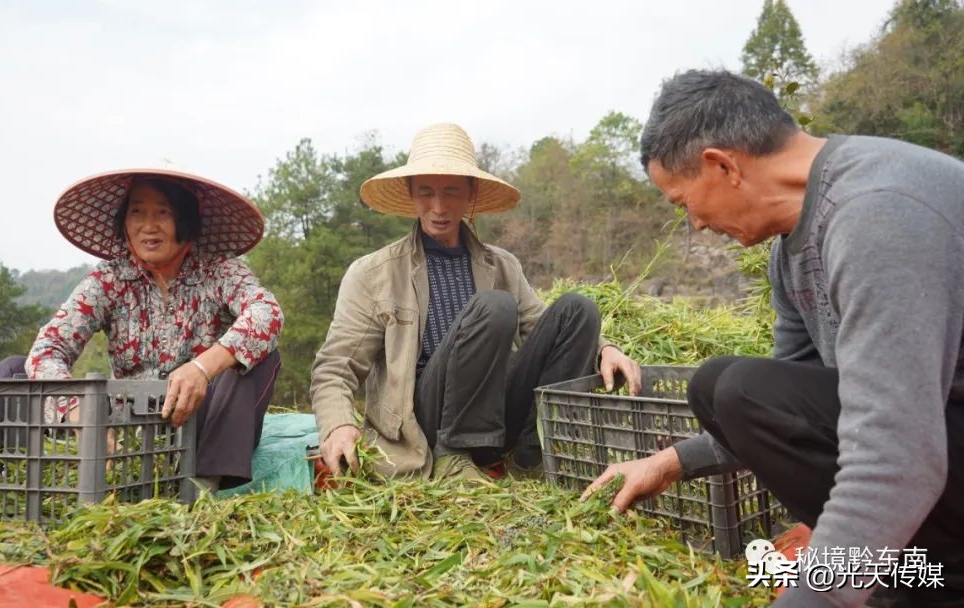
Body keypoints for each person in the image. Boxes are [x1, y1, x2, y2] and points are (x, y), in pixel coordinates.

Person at [581, 69, 964, 607]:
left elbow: (898, 448)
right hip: (936, 439)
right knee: (724, 388)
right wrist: (671, 462)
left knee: (736, 388)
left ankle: (934, 581)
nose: (694, 224)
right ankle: (903, 569)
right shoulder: (790, 250)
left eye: (682, 202)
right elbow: (795, 405)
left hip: (926, 444)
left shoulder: (878, 212)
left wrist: (814, 597)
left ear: (722, 165)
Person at [311, 123, 641, 482]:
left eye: (452, 192)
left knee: (579, 311)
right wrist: (338, 425)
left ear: (471, 194)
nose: (439, 207)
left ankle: (531, 451)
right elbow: (336, 366)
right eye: (426, 192)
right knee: (495, 307)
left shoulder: (501, 264)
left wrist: (604, 349)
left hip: (496, 415)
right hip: (426, 420)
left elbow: (543, 329)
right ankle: (454, 454)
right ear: (411, 194)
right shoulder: (373, 273)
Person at [0, 169, 283, 492]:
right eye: (137, 212)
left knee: (257, 358)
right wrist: (79, 413)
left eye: (163, 212)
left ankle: (203, 488)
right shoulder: (111, 279)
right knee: (11, 371)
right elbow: (48, 347)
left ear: (184, 218)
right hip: (125, 435)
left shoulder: (218, 271)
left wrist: (201, 368)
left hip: (196, 427)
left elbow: (266, 314)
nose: (148, 225)